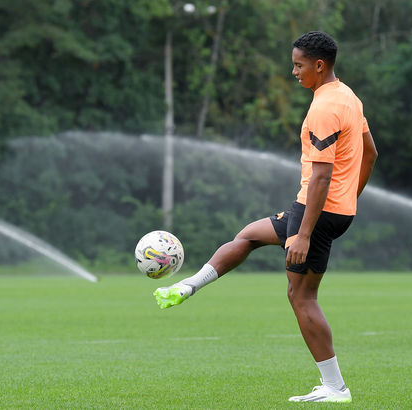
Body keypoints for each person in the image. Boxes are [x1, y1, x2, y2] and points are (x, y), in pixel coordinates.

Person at [154, 30, 378, 403]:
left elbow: (322, 176)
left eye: (298, 65)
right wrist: (348, 199)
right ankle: (189, 285)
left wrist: (304, 233)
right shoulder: (349, 97)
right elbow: (370, 153)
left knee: (301, 297)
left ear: (318, 65)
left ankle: (336, 388)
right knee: (250, 236)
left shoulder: (324, 108)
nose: (294, 72)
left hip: (315, 212)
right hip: (326, 209)